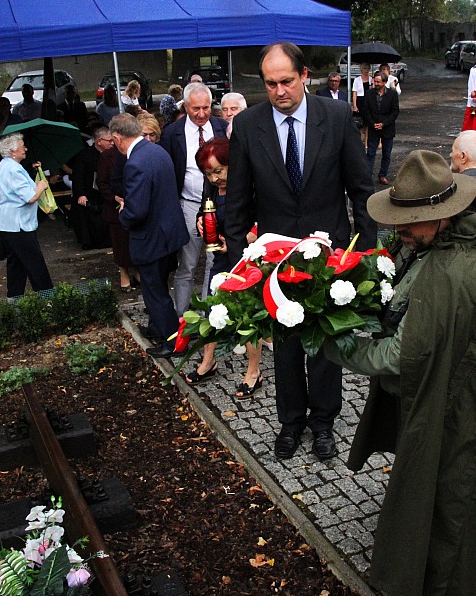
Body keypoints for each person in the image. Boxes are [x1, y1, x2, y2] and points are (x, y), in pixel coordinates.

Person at [324, 150, 476, 596]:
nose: (400, 230)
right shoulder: (442, 246)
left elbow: (403, 355)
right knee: (436, 477)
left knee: (447, 487)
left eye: (409, 221)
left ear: (442, 216)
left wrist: (338, 346)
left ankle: (425, 592)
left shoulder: (454, 270)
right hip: (452, 389)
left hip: (461, 403)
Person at [224, 41, 375, 462]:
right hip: (275, 263)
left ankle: (323, 421)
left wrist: (365, 255)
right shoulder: (248, 125)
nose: (279, 91)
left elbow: (361, 190)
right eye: (270, 84)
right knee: (287, 346)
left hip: (330, 257)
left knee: (326, 345)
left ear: (304, 75)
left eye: (287, 81)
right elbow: (237, 203)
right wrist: (238, 269)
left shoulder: (337, 116)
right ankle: (290, 422)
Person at [182, 137, 264, 398]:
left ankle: (254, 372)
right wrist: (201, 222)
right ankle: (209, 361)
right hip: (219, 257)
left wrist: (242, 240)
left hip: (245, 259)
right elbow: (204, 211)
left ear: (232, 164)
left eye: (219, 171)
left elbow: (263, 220)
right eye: (208, 173)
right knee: (212, 309)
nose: (214, 178)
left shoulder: (249, 184)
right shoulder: (211, 186)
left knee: (247, 316)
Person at [111, 113, 189, 358]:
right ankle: (157, 327)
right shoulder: (156, 151)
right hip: (168, 233)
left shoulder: (135, 162)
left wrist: (123, 213)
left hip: (151, 238)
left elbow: (137, 211)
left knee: (155, 292)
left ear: (117, 138)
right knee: (159, 285)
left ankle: (173, 341)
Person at [159, 82, 229, 315]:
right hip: (188, 205)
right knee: (187, 264)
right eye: (196, 108)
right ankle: (182, 316)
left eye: (206, 108)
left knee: (215, 261)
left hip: (220, 204)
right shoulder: (172, 133)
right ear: (186, 106)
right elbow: (167, 172)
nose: (201, 114)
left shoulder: (222, 127)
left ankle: (211, 314)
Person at [0, 133, 53, 298]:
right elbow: (30, 197)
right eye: (22, 146)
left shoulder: (5, 164)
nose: (25, 149)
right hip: (18, 224)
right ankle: (48, 298)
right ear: (12, 151)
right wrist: (41, 185)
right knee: (35, 264)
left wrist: (34, 171)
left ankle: (14, 298)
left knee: (16, 264)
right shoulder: (14, 169)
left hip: (8, 223)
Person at [95, 138, 135, 291]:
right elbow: (101, 182)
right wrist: (114, 198)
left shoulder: (135, 152)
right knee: (120, 243)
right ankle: (123, 273)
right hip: (115, 208)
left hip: (135, 204)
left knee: (135, 240)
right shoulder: (107, 156)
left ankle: (137, 271)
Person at [363, 71, 400, 185]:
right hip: (373, 128)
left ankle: (382, 175)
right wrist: (372, 123)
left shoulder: (392, 94)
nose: (376, 84)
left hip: (387, 128)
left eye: (378, 82)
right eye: (375, 81)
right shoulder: (369, 93)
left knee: (386, 154)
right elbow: (366, 110)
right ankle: (367, 176)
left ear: (384, 82)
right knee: (370, 153)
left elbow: (395, 112)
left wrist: (384, 124)